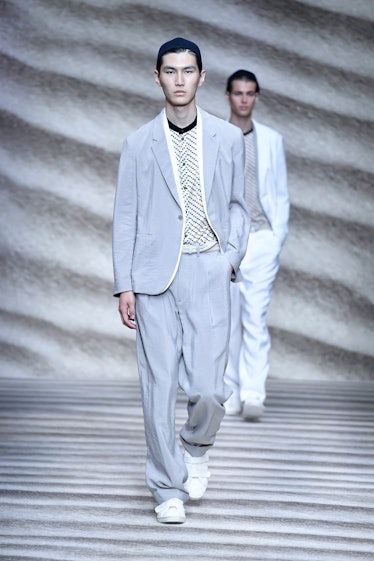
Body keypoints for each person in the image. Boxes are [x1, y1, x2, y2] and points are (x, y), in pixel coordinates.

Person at [112, 39, 249, 524]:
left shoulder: (228, 139)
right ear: (157, 77)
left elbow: (237, 205)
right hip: (153, 280)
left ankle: (195, 447)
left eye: (187, 70)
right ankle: (166, 487)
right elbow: (125, 217)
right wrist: (124, 284)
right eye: (169, 71)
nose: (179, 79)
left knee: (211, 388)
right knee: (158, 385)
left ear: (202, 77)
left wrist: (229, 259)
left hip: (208, 269)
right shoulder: (137, 143)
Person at [224, 70, 289, 420]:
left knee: (255, 319)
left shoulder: (272, 140)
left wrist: (277, 237)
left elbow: (279, 193)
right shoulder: (215, 137)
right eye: (238, 93)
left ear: (257, 97)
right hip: (229, 242)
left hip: (262, 240)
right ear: (228, 96)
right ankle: (230, 393)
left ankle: (253, 394)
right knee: (227, 319)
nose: (244, 99)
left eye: (250, 93)